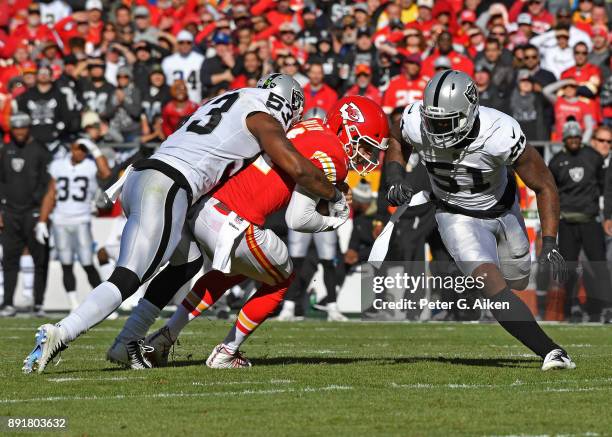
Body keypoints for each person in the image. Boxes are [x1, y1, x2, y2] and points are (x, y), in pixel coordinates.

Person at [23, 74, 346, 374]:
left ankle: (128, 341)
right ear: (286, 103)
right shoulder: (262, 114)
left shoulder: (232, 98)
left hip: (145, 175)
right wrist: (333, 193)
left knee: (187, 262)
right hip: (169, 185)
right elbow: (297, 168)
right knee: (129, 275)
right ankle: (61, 332)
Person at [108, 95, 388, 368]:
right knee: (281, 280)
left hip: (206, 208)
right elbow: (298, 219)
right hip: (234, 220)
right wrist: (334, 219)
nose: (366, 155)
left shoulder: (308, 126)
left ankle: (165, 337)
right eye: (364, 145)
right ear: (346, 127)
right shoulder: (334, 154)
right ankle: (227, 352)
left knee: (233, 272)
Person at [386, 70, 575, 370]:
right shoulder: (413, 121)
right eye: (432, 120)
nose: (435, 129)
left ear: (469, 112)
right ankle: (552, 352)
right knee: (492, 286)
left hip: (504, 211)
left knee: (518, 278)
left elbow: (544, 185)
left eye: (444, 122)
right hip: (455, 215)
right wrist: (395, 176)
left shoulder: (500, 132)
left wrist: (550, 241)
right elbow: (395, 139)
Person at [36, 138, 111, 310]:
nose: (80, 153)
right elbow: (50, 193)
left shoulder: (91, 165)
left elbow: (106, 173)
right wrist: (42, 221)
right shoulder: (58, 165)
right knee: (66, 264)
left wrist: (95, 150)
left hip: (82, 220)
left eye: (84, 150)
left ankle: (102, 303)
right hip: (60, 221)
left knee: (87, 263)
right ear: (71, 147)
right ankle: (73, 303)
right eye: (79, 148)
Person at [548, 121, 612, 322]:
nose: (574, 141)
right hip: (567, 221)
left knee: (599, 266)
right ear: (564, 139)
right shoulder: (556, 162)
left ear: (581, 138)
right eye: (570, 138)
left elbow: (605, 188)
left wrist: (607, 216)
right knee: (568, 268)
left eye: (577, 137)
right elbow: (551, 192)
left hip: (590, 220)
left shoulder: (593, 158)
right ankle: (570, 309)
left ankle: (606, 308)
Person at [0, 113, 51, 317]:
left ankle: (38, 303)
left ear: (29, 127)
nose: (19, 132)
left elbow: (49, 184)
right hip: (10, 212)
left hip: (34, 212)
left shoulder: (40, 150)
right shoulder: (5, 150)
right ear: (11, 129)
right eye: (16, 128)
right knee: (10, 260)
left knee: (40, 259)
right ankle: (8, 303)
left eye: (23, 128)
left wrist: (44, 217)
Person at [161, 30, 205, 104]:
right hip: (174, 104)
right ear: (177, 44)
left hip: (196, 102)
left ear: (192, 44)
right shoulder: (167, 61)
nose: (185, 45)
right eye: (181, 42)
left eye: (188, 42)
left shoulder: (201, 59)